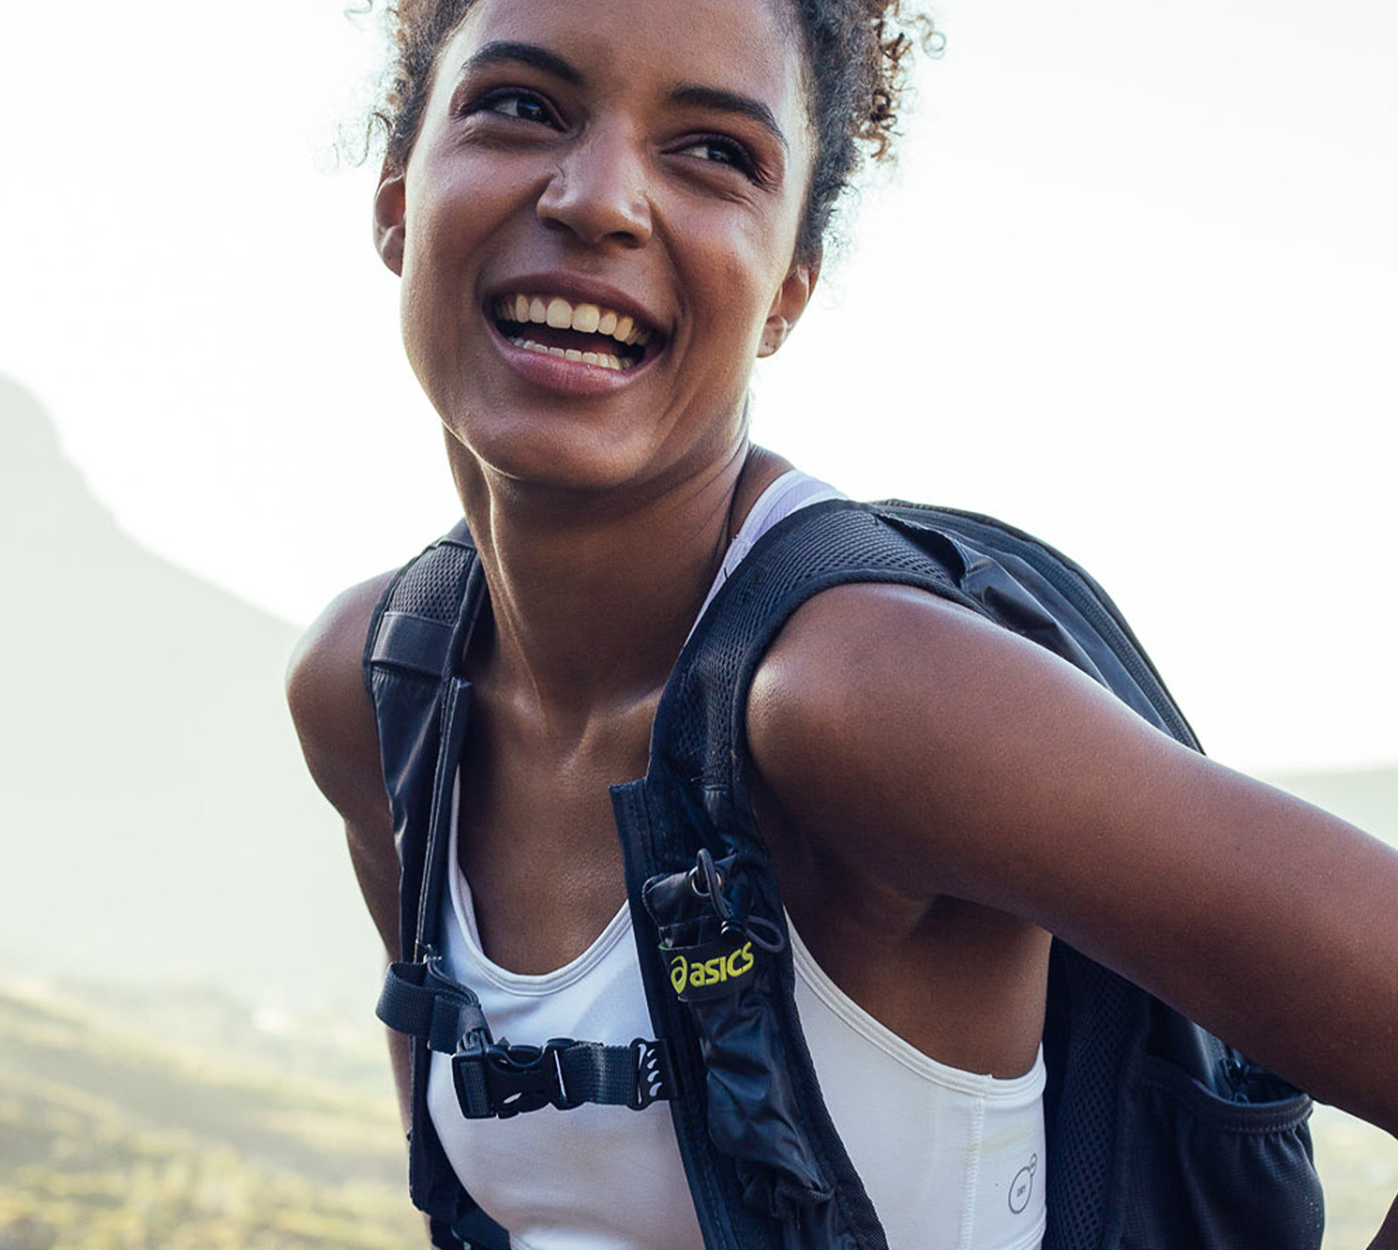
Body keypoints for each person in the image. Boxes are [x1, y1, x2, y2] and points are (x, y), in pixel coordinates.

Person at [286, 0, 1398, 1245]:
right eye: (522, 107)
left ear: (786, 291)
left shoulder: (865, 697)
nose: (599, 199)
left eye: (713, 151)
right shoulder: (382, 685)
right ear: (396, 194)